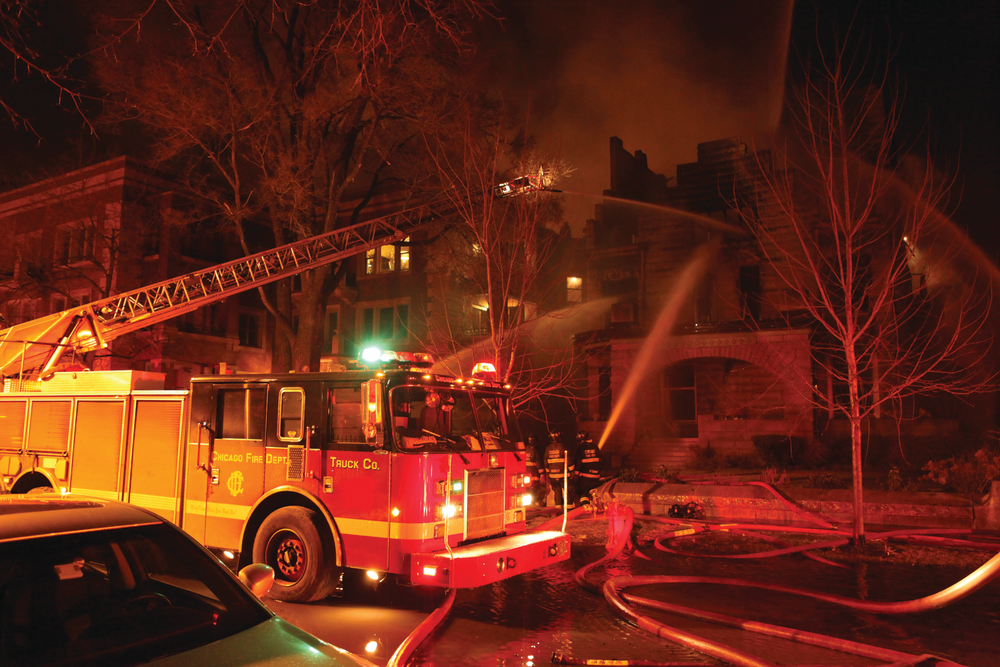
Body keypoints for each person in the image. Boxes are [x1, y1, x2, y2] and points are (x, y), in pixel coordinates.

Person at [544, 432, 574, 508]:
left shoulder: (548, 448)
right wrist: (572, 471)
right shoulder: (564, 447)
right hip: (564, 474)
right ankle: (569, 508)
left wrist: (547, 473)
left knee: (557, 491)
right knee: (567, 490)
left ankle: (558, 508)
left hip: (552, 475)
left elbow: (545, 461)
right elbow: (569, 460)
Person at [574, 432, 602, 505]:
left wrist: (576, 475)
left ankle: (585, 508)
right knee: (593, 493)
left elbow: (578, 462)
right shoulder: (595, 447)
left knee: (583, 493)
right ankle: (595, 508)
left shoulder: (580, 448)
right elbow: (601, 460)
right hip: (596, 477)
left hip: (585, 477)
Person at [524, 433, 544, 506]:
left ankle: (527, 504)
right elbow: (538, 462)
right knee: (535, 488)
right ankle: (534, 504)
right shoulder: (536, 450)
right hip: (534, 473)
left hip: (525, 473)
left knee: (527, 489)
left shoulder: (525, 449)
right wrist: (542, 473)